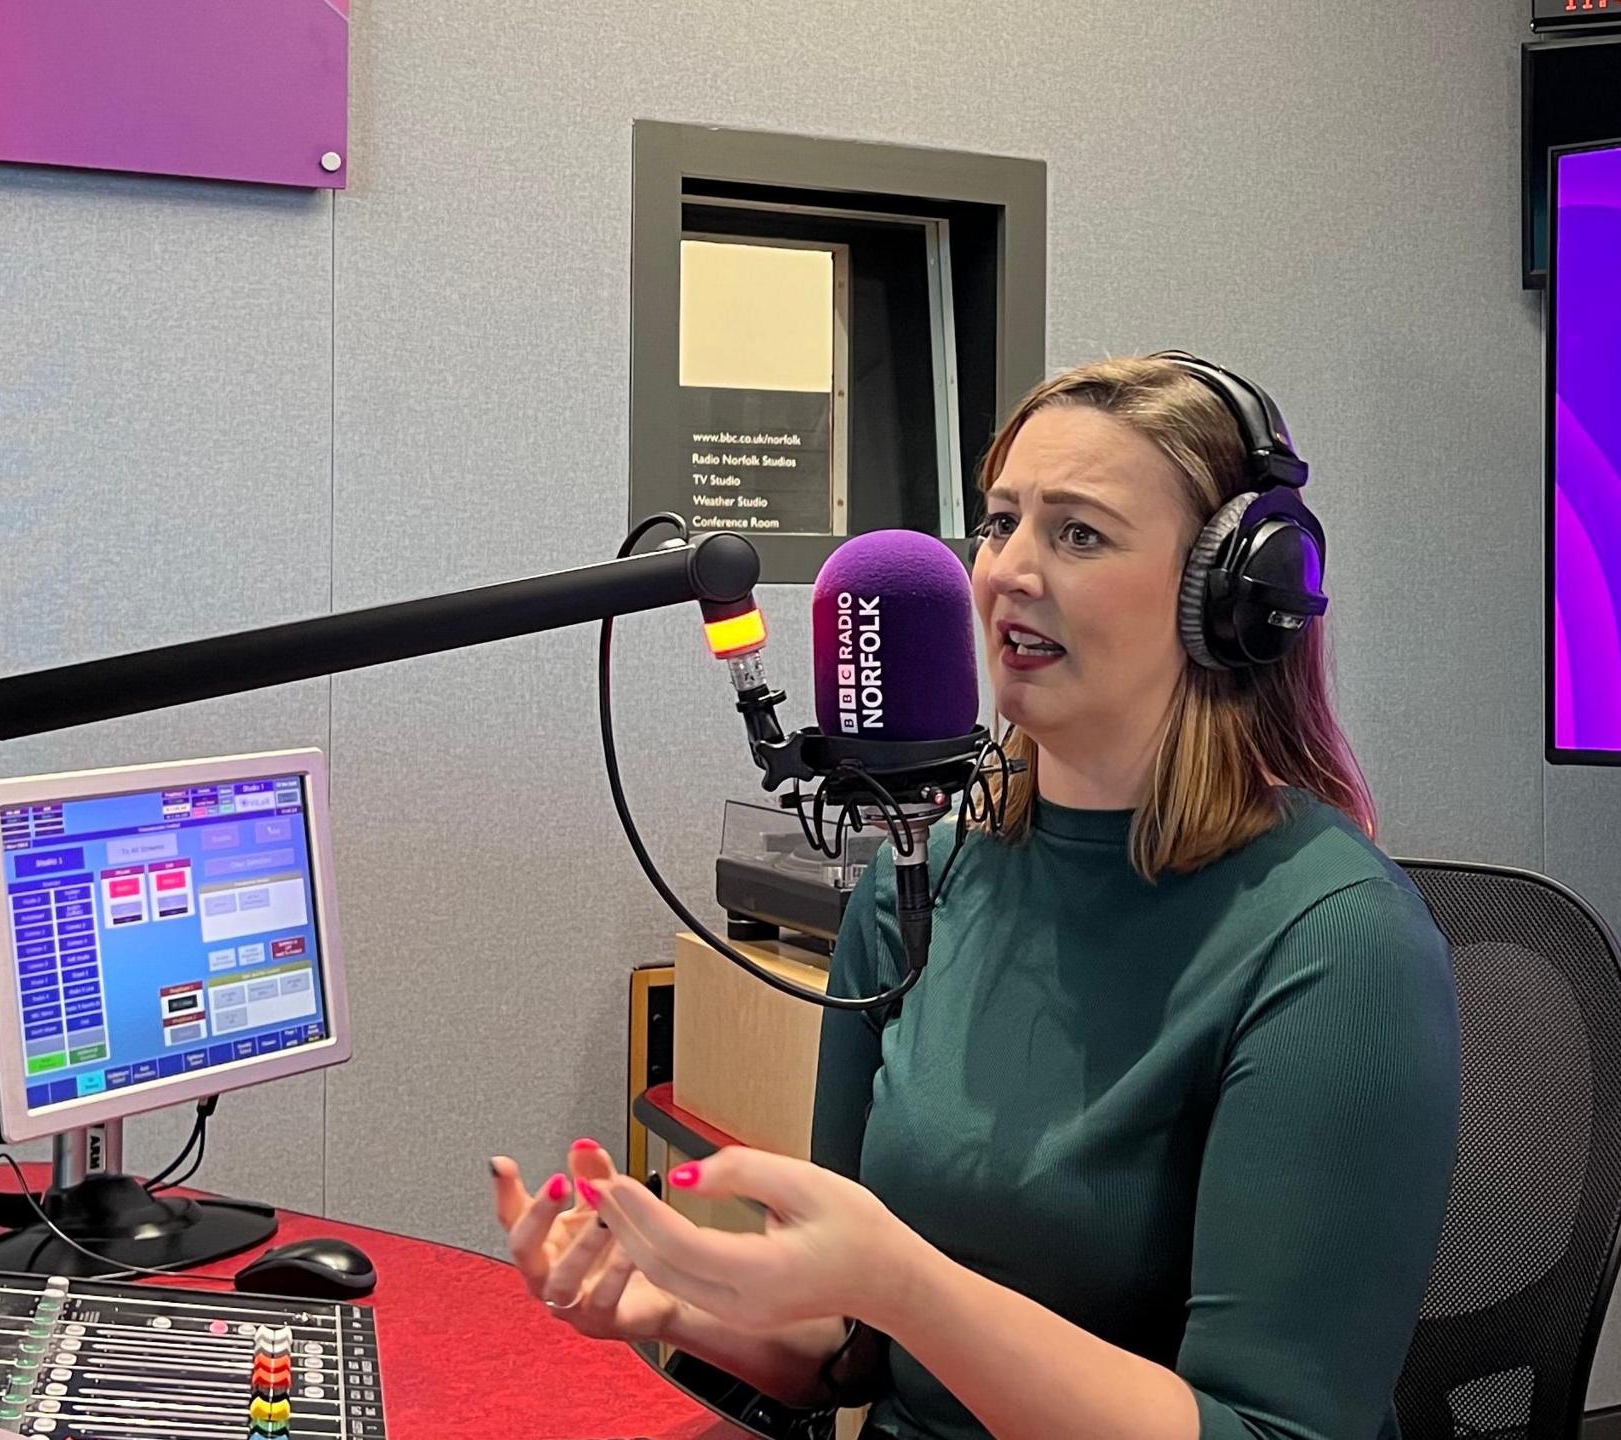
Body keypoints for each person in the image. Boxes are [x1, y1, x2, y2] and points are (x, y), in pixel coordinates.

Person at [493, 354, 1461, 1440]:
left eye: (1078, 533)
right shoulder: (921, 885)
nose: (1006, 572)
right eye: (1001, 524)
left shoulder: (1336, 941)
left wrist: (909, 1285)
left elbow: (1274, 1431)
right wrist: (669, 1307)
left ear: (1234, 597)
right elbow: (852, 1351)